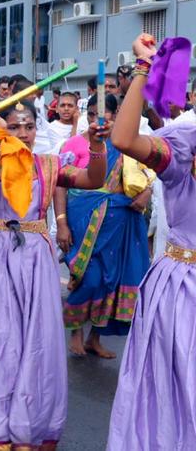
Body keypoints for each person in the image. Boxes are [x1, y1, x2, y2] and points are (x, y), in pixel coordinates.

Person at [0, 100, 108, 449]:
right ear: (3, 129)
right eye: (14, 126)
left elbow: (91, 179)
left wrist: (97, 147)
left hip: (35, 259)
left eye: (28, 126)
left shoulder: (50, 165)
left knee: (31, 341)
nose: (23, 133)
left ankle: (24, 420)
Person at [104, 33, 196, 448]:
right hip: (183, 292)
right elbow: (124, 140)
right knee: (177, 392)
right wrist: (144, 69)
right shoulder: (183, 152)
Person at [56, 94, 151, 359]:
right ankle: (75, 331)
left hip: (120, 223)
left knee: (111, 282)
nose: (97, 119)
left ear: (115, 114)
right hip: (84, 221)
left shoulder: (126, 143)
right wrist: (62, 223)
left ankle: (94, 338)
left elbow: (147, 174)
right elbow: (60, 185)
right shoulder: (73, 144)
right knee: (90, 279)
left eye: (103, 114)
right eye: (91, 115)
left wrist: (147, 193)